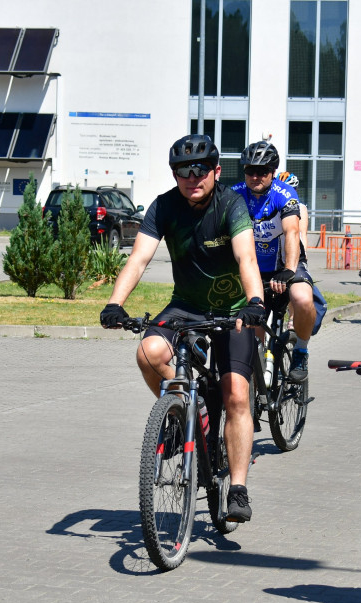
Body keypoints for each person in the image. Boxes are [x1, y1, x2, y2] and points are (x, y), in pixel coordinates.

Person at [99, 134, 266, 523]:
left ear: (216, 171)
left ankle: (238, 488)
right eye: (183, 171)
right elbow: (139, 259)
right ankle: (184, 410)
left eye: (201, 169)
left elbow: (246, 259)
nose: (192, 177)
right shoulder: (164, 206)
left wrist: (256, 302)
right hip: (186, 306)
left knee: (237, 395)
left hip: (233, 309)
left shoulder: (232, 204)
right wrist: (114, 303)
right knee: (148, 352)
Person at [231, 141, 315, 382]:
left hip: (285, 264)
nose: (256, 176)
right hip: (253, 269)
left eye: (263, 171)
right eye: (250, 171)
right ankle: (256, 391)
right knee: (252, 332)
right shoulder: (235, 193)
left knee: (302, 298)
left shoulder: (285, 194)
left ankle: (300, 349)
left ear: (273, 173)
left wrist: (289, 270)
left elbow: (291, 232)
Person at [278, 171, 328, 334]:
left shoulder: (300, 208)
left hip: (292, 255)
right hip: (273, 256)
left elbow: (302, 234)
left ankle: (293, 319)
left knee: (294, 287)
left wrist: (303, 257)